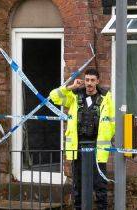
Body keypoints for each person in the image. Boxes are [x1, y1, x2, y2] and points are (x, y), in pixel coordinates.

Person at [49, 69, 115, 210]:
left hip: (98, 149)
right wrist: (70, 87)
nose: (89, 83)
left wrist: (105, 137)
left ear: (97, 81)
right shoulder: (75, 96)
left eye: (92, 80)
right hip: (77, 148)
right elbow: (54, 97)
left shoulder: (106, 99)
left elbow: (112, 123)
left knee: (100, 187)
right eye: (87, 80)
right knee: (77, 186)